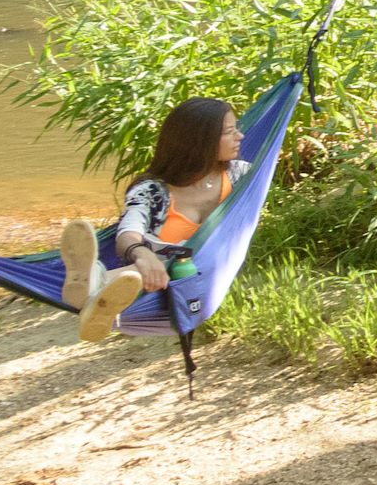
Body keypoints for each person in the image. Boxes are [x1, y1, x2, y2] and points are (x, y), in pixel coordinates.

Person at [57, 96, 247, 344]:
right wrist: (140, 253)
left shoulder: (243, 177)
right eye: (229, 132)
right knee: (158, 259)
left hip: (208, 277)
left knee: (172, 259)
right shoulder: (151, 190)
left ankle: (95, 285)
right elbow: (129, 232)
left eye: (237, 129)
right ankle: (97, 294)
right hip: (160, 287)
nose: (240, 137)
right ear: (201, 141)